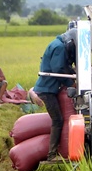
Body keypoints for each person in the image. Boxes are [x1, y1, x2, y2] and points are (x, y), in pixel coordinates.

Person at [33, 27, 77, 162]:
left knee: (58, 119)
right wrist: (71, 82)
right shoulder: (59, 48)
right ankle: (52, 154)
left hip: (49, 88)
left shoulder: (57, 44)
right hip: (47, 90)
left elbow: (63, 66)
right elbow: (58, 68)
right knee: (58, 120)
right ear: (70, 42)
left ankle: (54, 151)